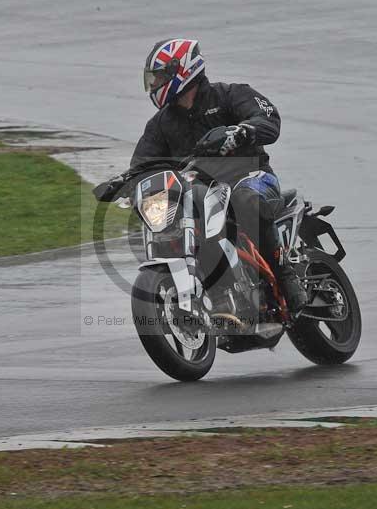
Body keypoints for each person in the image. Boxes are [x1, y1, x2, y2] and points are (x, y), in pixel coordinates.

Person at [131, 38, 307, 312]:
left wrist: (243, 131)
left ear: (182, 70)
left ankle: (286, 276)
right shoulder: (160, 125)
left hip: (251, 176)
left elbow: (269, 118)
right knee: (169, 224)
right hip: (200, 192)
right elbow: (141, 165)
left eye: (158, 78)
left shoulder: (230, 95)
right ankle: (218, 293)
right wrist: (127, 183)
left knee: (246, 199)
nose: (153, 86)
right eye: (151, 80)